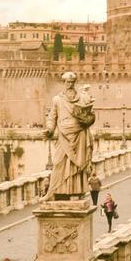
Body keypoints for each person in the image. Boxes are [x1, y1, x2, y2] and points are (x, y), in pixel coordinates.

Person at [44, 72, 96, 200]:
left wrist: (87, 119)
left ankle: (76, 192)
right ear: (64, 83)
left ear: (75, 83)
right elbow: (52, 117)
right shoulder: (57, 100)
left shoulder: (84, 98)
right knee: (59, 163)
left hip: (79, 134)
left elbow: (91, 116)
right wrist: (50, 129)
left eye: (72, 82)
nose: (70, 84)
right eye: (68, 82)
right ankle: (53, 192)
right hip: (63, 135)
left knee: (77, 166)